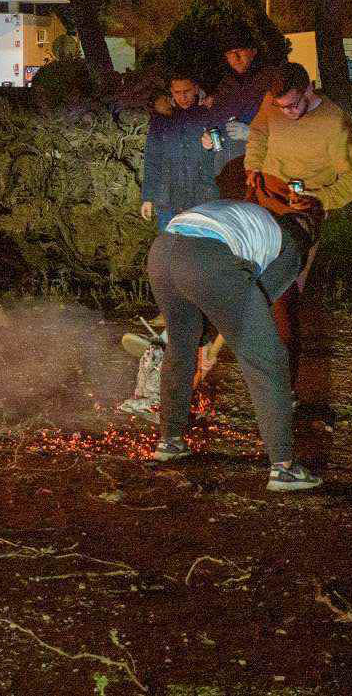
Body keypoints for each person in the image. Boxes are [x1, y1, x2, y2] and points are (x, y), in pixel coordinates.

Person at [144, 197, 322, 493]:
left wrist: (208, 345)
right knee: (266, 357)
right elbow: (255, 305)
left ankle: (169, 441)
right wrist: (216, 346)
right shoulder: (291, 247)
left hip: (162, 251)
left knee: (181, 344)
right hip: (205, 259)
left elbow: (230, 297)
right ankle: (284, 469)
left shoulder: (259, 217)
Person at [242, 61, 352, 376]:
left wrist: (319, 200)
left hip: (302, 212)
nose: (289, 113)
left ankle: (284, 379)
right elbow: (258, 131)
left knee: (284, 291)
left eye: (294, 105)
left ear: (310, 87)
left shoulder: (334, 122)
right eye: (281, 107)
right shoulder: (273, 103)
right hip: (265, 195)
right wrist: (254, 165)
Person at [141, 75, 225, 229]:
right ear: (171, 92)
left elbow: (222, 151)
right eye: (177, 92)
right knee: (170, 246)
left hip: (201, 197)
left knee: (200, 245)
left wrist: (212, 146)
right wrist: (148, 197)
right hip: (167, 198)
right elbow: (152, 158)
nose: (183, 97)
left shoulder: (210, 113)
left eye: (187, 91)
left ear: (196, 89)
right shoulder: (161, 119)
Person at [209, 35, 274, 199]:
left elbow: (286, 125)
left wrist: (250, 132)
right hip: (226, 166)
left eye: (240, 51)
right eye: (230, 53)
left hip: (259, 166)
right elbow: (214, 122)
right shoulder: (225, 85)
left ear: (253, 51)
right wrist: (207, 136)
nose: (235, 58)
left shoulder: (271, 81)